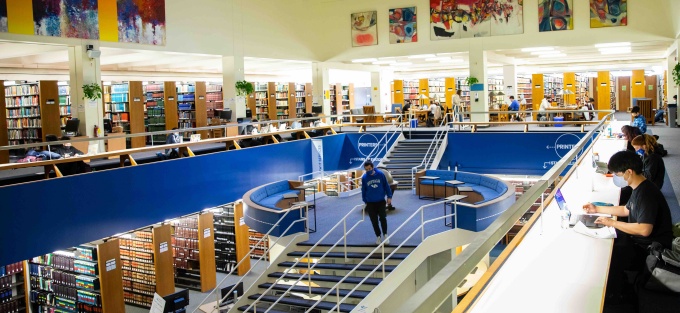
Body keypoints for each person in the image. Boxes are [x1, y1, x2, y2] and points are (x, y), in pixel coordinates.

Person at [583, 150, 673, 304]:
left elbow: (645, 230)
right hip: (640, 241)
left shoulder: (646, 194)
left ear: (629, 172)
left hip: (650, 250)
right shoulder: (639, 187)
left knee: (606, 257)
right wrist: (596, 209)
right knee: (608, 243)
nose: (617, 178)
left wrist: (612, 222)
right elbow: (626, 210)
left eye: (618, 174)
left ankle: (616, 296)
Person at [361, 160, 393, 245]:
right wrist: (365, 200)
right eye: (366, 169)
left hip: (380, 201)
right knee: (374, 221)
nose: (368, 171)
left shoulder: (380, 175)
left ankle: (385, 235)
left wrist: (389, 196)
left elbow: (386, 185)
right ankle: (378, 236)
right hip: (370, 203)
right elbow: (363, 190)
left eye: (369, 169)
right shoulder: (364, 178)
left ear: (373, 167)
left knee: (383, 218)